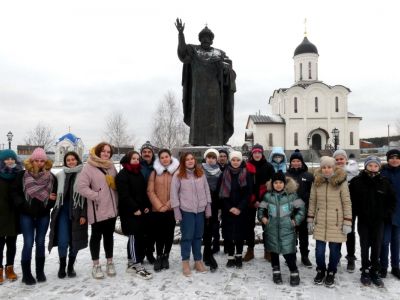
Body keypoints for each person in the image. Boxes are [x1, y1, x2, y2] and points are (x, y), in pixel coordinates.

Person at [175, 18, 236, 146]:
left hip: (215, 93)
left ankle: (216, 142)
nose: (206, 39)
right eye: (203, 37)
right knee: (198, 117)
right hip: (197, 91)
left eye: (208, 37)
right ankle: (196, 142)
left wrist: (226, 69)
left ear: (212, 39)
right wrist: (181, 35)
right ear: (200, 39)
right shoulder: (193, 50)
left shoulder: (219, 53)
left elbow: (230, 71)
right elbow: (182, 54)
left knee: (215, 118)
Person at [11, 148, 57, 285]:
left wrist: (48, 203)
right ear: (31, 160)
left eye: (42, 160)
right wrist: (24, 206)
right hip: (26, 215)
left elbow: (54, 197)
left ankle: (40, 271)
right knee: (28, 242)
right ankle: (26, 274)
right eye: (36, 160)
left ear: (45, 162)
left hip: (43, 215)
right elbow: (15, 194)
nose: (39, 163)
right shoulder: (22, 175)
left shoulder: (51, 177)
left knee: (41, 242)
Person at [349, 156, 396, 287]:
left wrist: (385, 214)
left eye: (375, 166)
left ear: (379, 167)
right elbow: (351, 201)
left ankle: (375, 271)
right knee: (364, 246)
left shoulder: (384, 181)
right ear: (365, 166)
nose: (373, 168)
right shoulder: (356, 181)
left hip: (378, 221)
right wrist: (356, 214)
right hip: (363, 220)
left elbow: (391, 200)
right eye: (370, 165)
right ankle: (365, 270)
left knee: (377, 246)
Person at [307, 156, 352, 288]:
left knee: (334, 250)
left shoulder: (341, 182)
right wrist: (310, 219)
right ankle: (321, 270)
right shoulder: (316, 182)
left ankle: (331, 271)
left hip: (336, 222)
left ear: (334, 168)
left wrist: (347, 222)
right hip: (321, 221)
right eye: (324, 167)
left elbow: (346, 202)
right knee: (319, 251)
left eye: (329, 167)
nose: (326, 170)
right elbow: (312, 201)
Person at [77, 142, 118, 279]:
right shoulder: (89, 167)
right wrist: (97, 196)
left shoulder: (111, 166)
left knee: (109, 236)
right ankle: (96, 264)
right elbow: (81, 187)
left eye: (108, 152)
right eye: (103, 151)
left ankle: (110, 262)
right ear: (98, 152)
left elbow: (116, 183)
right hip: (98, 209)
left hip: (111, 208)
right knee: (96, 237)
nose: (106, 154)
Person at [258, 171, 305, 286]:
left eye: (280, 182)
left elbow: (302, 209)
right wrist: (263, 219)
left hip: (287, 230)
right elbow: (261, 210)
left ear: (284, 184)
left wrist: (295, 221)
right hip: (272, 229)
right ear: (272, 184)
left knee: (288, 252)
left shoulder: (292, 196)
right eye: (276, 183)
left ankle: (293, 271)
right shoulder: (268, 196)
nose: (278, 185)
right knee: (274, 252)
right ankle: (276, 271)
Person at [48, 151, 88, 279]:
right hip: (62, 212)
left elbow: (86, 198)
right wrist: (51, 197)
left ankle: (70, 267)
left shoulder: (84, 175)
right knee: (63, 239)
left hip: (77, 211)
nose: (71, 162)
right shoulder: (59, 175)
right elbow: (53, 192)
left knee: (75, 239)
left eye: (73, 159)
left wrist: (84, 215)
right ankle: (62, 266)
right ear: (65, 162)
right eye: (68, 160)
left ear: (77, 160)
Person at [171, 152, 211, 277]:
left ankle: (198, 261)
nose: (190, 161)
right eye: (187, 159)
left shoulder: (200, 173)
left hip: (200, 210)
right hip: (186, 211)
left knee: (198, 236)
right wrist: (177, 212)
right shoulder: (178, 175)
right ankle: (185, 262)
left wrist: (208, 207)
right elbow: (174, 195)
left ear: (195, 160)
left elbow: (206, 190)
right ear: (183, 162)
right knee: (187, 237)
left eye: (192, 159)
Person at [115, 151, 152, 280]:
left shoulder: (138, 173)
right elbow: (124, 195)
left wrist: (146, 205)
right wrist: (135, 208)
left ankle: (132, 262)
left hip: (141, 211)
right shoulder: (122, 175)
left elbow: (143, 192)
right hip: (129, 211)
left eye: (138, 158)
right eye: (133, 158)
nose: (136, 160)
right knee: (133, 237)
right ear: (128, 160)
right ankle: (137, 264)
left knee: (138, 236)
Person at [147, 149, 179, 272]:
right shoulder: (154, 173)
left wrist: (168, 205)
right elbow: (150, 191)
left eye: (167, 157)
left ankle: (166, 256)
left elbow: (178, 190)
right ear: (159, 159)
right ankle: (159, 256)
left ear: (170, 157)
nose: (165, 159)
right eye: (162, 157)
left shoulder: (176, 172)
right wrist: (160, 206)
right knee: (159, 235)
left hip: (171, 209)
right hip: (157, 210)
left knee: (169, 235)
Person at [219, 151, 252, 269]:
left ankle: (238, 256)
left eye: (238, 160)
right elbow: (221, 194)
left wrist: (239, 208)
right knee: (228, 234)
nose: (235, 162)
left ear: (241, 161)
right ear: (230, 161)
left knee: (239, 234)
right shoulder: (224, 173)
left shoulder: (246, 173)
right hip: (228, 209)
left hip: (241, 210)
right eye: (233, 160)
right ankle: (230, 257)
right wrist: (230, 208)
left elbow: (248, 193)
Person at [243, 144, 274, 262]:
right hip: (250, 200)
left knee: (267, 225)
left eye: (259, 152)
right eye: (255, 152)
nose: (257, 154)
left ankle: (268, 250)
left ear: (262, 153)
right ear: (252, 153)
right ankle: (250, 249)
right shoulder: (247, 166)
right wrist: (253, 200)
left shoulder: (268, 166)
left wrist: (262, 200)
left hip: (264, 200)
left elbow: (271, 185)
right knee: (249, 226)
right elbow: (245, 184)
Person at [286, 149, 314, 268]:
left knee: (303, 235)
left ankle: (304, 255)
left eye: (298, 161)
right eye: (294, 161)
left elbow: (312, 193)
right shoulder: (286, 175)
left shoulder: (308, 176)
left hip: (304, 210)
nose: (296, 163)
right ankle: (291, 255)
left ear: (301, 162)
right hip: (290, 211)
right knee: (291, 235)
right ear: (291, 162)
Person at [333, 149, 360, 272]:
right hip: (337, 206)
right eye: (337, 159)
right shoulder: (332, 173)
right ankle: (336, 255)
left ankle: (350, 257)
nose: (339, 161)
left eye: (341, 159)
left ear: (346, 160)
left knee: (349, 232)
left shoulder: (354, 174)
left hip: (351, 207)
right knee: (337, 231)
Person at [0, 150, 22, 283]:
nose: (10, 161)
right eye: (6, 159)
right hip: (1, 214)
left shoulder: (19, 174)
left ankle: (10, 268)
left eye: (12, 158)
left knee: (12, 243)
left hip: (14, 214)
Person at [380, 149, 400, 279]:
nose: (394, 160)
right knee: (384, 241)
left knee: (396, 241)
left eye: (397, 157)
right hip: (385, 213)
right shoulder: (382, 172)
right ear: (388, 159)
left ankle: (395, 267)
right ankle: (383, 267)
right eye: (392, 157)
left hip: (398, 212)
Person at [201, 148, 221, 272]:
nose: (211, 159)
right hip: (202, 203)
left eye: (213, 157)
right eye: (209, 157)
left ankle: (208, 253)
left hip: (215, 203)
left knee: (212, 228)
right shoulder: (200, 170)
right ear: (205, 158)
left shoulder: (220, 171)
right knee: (204, 229)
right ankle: (206, 254)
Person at [140, 141, 156, 264]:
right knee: (141, 230)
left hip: (153, 202)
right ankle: (140, 253)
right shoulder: (137, 166)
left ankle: (150, 253)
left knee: (151, 230)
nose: (146, 154)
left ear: (152, 153)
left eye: (149, 152)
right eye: (144, 152)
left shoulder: (157, 166)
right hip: (140, 202)